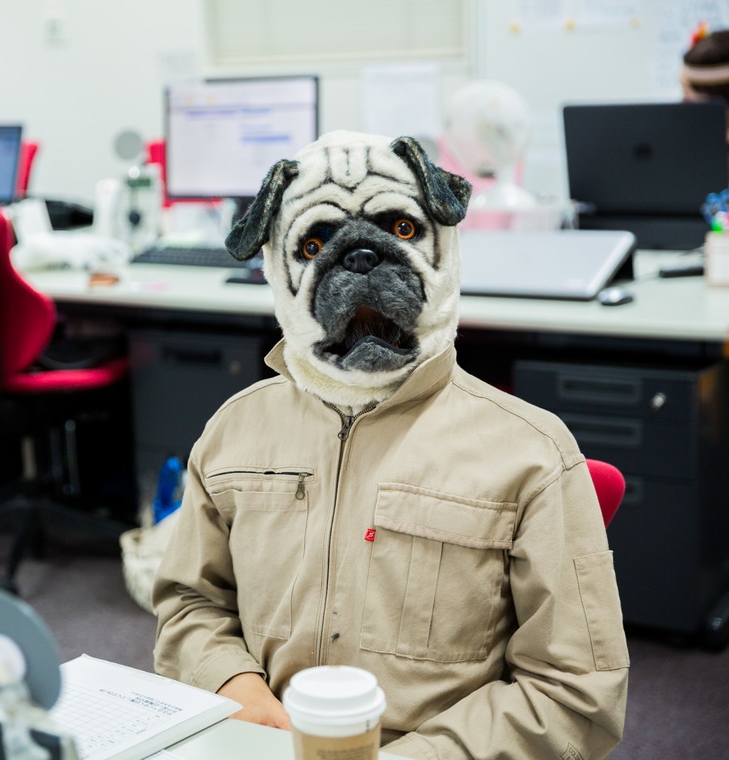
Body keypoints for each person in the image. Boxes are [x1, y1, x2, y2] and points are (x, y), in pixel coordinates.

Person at [152, 131, 629, 758]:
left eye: (401, 228)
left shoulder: (533, 453)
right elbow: (189, 602)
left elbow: (575, 694)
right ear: (274, 267)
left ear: (446, 247)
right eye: (314, 245)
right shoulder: (232, 433)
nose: (359, 261)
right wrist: (231, 683)